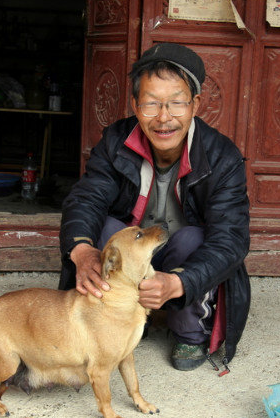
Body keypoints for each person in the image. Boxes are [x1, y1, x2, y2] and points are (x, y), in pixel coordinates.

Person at [58, 43, 250, 371]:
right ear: (135, 104)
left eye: (176, 103)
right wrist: (80, 251)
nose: (163, 117)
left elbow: (230, 239)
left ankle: (189, 331)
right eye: (150, 104)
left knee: (193, 238)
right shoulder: (116, 141)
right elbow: (87, 199)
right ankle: (117, 316)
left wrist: (179, 283)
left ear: (195, 105)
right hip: (135, 252)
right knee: (105, 230)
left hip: (182, 259)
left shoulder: (222, 156)